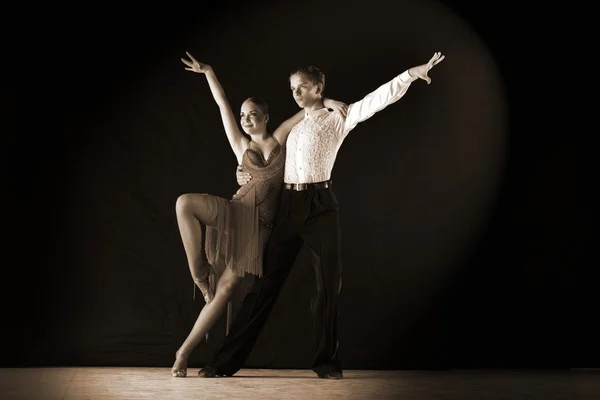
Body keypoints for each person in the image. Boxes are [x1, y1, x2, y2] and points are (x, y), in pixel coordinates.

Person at [198, 52, 446, 379]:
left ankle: (327, 362)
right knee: (263, 286)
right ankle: (223, 363)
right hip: (288, 205)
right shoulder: (291, 126)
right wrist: (241, 172)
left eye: (302, 87)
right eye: (292, 89)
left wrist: (411, 74)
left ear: (318, 86)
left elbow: (378, 98)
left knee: (329, 285)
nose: (296, 94)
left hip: (321, 205)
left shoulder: (340, 117)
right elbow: (262, 158)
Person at [171, 52, 347, 377]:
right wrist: (209, 71)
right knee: (185, 203)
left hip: (260, 230)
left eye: (253, 115)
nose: (246, 120)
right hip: (235, 211)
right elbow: (222, 104)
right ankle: (200, 275)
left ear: (266, 117)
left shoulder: (280, 138)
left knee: (226, 290)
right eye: (243, 116)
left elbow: (308, 111)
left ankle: (183, 353)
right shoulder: (240, 145)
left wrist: (332, 100)